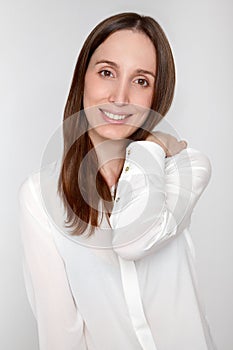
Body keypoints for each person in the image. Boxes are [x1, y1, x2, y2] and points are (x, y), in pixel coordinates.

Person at [18, 12, 216, 350]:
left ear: (158, 95)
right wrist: (155, 143)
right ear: (83, 77)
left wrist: (151, 149)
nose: (120, 96)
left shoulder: (185, 167)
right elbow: (60, 337)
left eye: (141, 81)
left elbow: (132, 239)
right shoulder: (40, 197)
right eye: (107, 73)